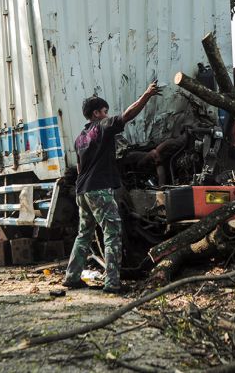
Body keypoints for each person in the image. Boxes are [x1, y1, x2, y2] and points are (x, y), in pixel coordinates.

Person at [63, 81, 161, 294]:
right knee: (112, 234)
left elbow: (80, 169)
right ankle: (112, 283)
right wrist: (146, 95)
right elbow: (127, 115)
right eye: (105, 111)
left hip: (83, 191)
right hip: (99, 190)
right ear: (97, 113)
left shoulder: (80, 138)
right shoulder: (103, 127)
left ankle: (71, 277)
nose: (108, 115)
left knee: (84, 234)